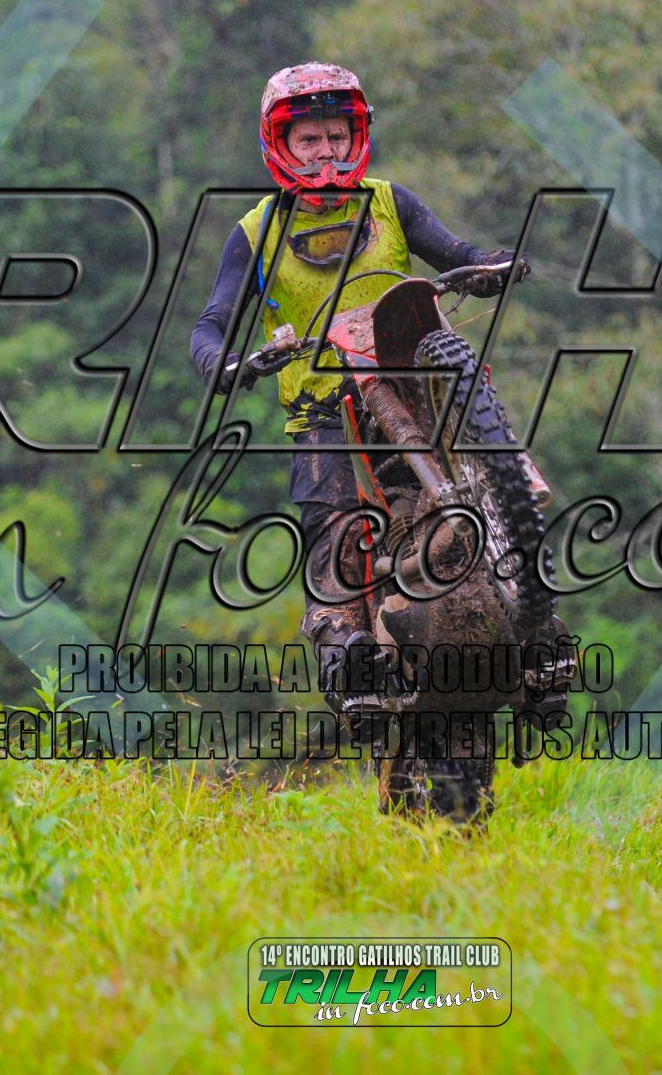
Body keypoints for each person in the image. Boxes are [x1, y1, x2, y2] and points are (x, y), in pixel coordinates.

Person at [188, 61, 526, 709]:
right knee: (337, 530)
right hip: (324, 412)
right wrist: (225, 363)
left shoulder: (391, 202)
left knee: (497, 469)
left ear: (357, 136)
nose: (326, 151)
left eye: (336, 136)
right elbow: (211, 324)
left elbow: (458, 255)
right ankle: (343, 650)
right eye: (309, 139)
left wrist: (490, 266)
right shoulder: (256, 232)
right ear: (280, 145)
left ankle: (534, 609)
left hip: (415, 386)